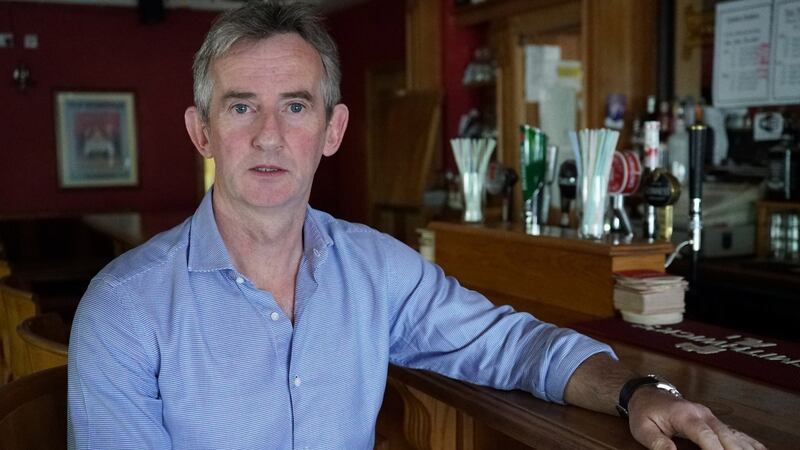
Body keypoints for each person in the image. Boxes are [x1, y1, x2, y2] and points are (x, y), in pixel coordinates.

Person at [67, 2, 765, 449]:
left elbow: (515, 347)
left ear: (333, 129)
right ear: (202, 132)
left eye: (297, 107)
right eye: (242, 107)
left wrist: (639, 392)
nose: (271, 135)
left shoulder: (375, 270)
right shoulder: (125, 310)